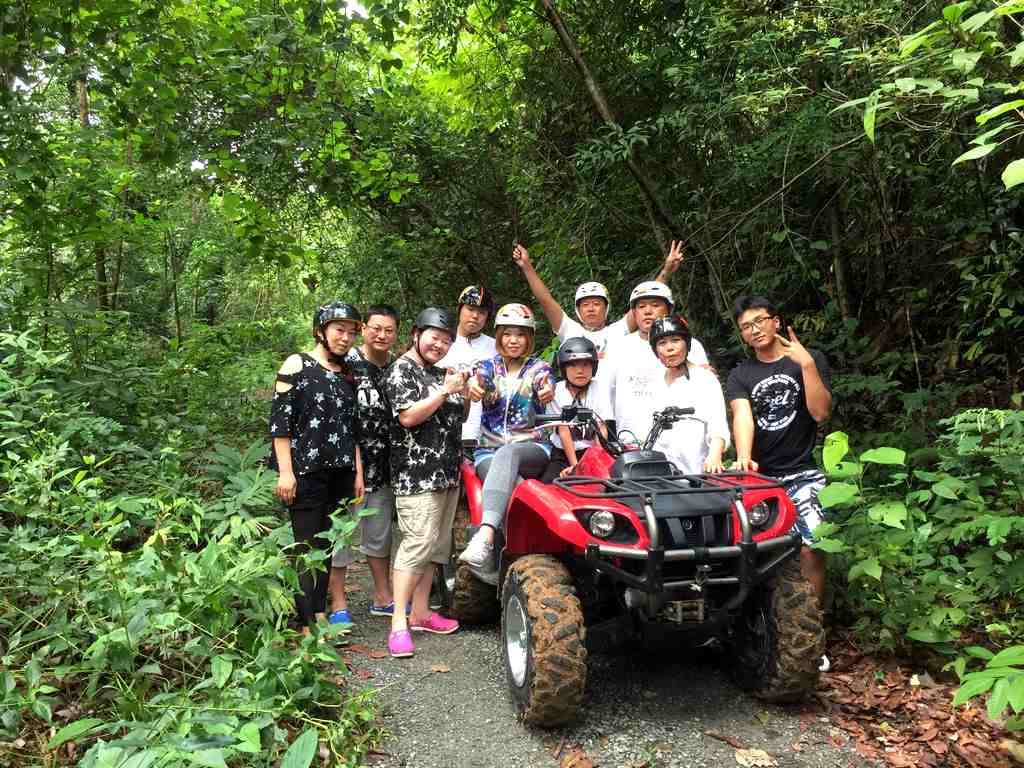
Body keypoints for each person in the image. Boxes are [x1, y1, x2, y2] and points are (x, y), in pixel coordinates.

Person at [724, 295, 832, 669]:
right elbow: (743, 416)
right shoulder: (741, 374)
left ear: (775, 320)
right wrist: (743, 456)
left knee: (812, 547)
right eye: (746, 327)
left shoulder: (807, 358)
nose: (754, 331)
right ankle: (754, 632)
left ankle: (810, 638)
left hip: (802, 470)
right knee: (747, 550)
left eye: (759, 321)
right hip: (761, 476)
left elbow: (820, 412)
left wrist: (807, 366)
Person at [269, 301, 364, 635]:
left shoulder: (349, 373)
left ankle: (319, 612)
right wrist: (285, 472)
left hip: (340, 471)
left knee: (328, 544)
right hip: (305, 470)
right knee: (306, 545)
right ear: (321, 331)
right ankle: (307, 622)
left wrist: (358, 472)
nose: (346, 337)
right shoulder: (297, 364)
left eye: (352, 332)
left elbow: (352, 428)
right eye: (339, 330)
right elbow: (280, 425)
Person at [385, 307, 468, 658]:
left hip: (447, 472)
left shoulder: (438, 373)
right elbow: (407, 417)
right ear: (417, 335)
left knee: (437, 547)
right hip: (416, 477)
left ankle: (421, 613)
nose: (440, 344)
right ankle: (398, 624)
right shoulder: (400, 370)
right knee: (416, 545)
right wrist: (444, 391)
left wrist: (463, 390)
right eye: (435, 337)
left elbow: (457, 414)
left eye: (447, 340)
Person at [459, 303, 556, 578]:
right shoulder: (487, 367)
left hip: (532, 448)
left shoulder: (539, 368)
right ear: (499, 336)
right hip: (487, 451)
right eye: (508, 334)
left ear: (529, 339)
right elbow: (478, 383)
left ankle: (485, 536)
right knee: (513, 481)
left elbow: (545, 384)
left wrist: (547, 391)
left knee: (509, 452)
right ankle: (526, 553)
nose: (513, 340)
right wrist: (472, 390)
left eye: (521, 334)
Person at [328, 305, 399, 627]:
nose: (381, 335)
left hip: (384, 466)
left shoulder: (397, 368)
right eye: (375, 328)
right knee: (340, 535)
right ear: (364, 330)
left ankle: (383, 597)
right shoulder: (347, 366)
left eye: (389, 330)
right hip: (346, 465)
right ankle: (338, 603)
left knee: (379, 534)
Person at [510, 240, 686, 362]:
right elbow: (546, 301)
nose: (591, 309)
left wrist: (667, 271)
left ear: (606, 307)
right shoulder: (569, 329)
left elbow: (647, 301)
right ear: (578, 310)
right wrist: (527, 266)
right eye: (585, 305)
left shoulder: (618, 331)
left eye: (596, 304)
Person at [600, 281, 711, 444]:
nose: (648, 311)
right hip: (632, 441)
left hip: (683, 442)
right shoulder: (619, 347)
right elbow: (604, 394)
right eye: (641, 306)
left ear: (669, 309)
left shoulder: (691, 346)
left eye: (655, 305)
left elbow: (704, 394)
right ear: (634, 312)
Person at [647, 316, 728, 474]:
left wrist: (714, 456)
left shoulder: (704, 378)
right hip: (661, 472)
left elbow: (717, 424)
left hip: (696, 470)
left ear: (687, 343)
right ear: (655, 350)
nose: (670, 348)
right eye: (662, 343)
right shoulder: (654, 381)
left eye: (675, 340)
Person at [540, 337, 612, 483]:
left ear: (594, 367)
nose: (580, 370)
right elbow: (563, 430)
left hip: (592, 453)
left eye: (586, 365)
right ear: (564, 369)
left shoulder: (599, 389)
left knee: (609, 484)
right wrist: (575, 466)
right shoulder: (557, 391)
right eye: (573, 365)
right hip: (563, 455)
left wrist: (593, 461)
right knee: (549, 486)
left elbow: (602, 428)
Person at [437, 285, 497, 451]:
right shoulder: (440, 343)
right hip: (445, 433)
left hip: (487, 437)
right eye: (470, 309)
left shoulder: (496, 347)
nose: (475, 316)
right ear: (460, 309)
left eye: (482, 312)